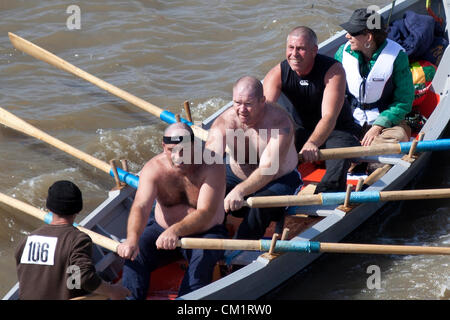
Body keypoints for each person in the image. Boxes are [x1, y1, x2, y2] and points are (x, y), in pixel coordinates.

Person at [117, 122, 228, 299]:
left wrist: (174, 231)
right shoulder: (154, 168)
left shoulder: (212, 164)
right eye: (171, 150)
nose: (178, 157)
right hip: (160, 232)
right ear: (163, 146)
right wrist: (132, 239)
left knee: (199, 270)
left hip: (205, 233)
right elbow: (141, 206)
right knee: (134, 256)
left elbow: (206, 212)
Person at [263, 26, 360, 193]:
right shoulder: (276, 74)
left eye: (300, 49)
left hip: (338, 131)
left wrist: (312, 143)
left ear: (314, 50)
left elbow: (329, 117)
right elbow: (262, 114)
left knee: (339, 152)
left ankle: (327, 194)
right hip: (301, 132)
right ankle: (267, 187)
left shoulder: (333, 71)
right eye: (291, 48)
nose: (294, 54)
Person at [205, 76, 302, 240]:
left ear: (262, 101)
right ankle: (212, 244)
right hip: (237, 175)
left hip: (279, 179)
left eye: (248, 104)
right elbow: (209, 161)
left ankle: (240, 249)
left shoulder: (279, 123)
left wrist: (239, 191)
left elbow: (268, 170)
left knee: (259, 205)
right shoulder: (225, 121)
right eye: (237, 103)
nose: (241, 109)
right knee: (208, 193)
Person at [15, 180, 130, 300]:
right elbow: (83, 276)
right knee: (103, 278)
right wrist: (112, 291)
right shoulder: (78, 239)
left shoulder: (26, 241)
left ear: (49, 207)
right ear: (78, 209)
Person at [335, 8, 414, 153]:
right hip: (351, 119)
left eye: (353, 33)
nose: (347, 36)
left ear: (368, 37)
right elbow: (333, 93)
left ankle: (358, 155)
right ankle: (361, 152)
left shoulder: (397, 57)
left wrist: (378, 127)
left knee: (398, 137)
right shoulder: (342, 53)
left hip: (386, 122)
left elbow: (404, 101)